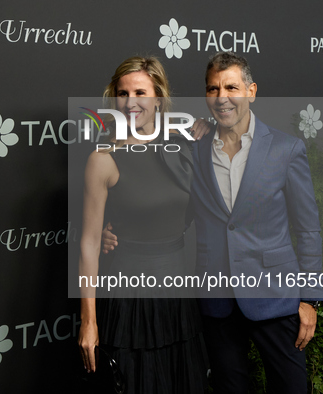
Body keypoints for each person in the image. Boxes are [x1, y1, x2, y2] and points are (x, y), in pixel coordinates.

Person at [103, 51, 323, 393]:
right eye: (213, 89)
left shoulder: (286, 149)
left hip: (275, 298)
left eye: (231, 87)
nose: (222, 97)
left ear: (251, 91)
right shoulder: (193, 148)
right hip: (216, 301)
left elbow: (308, 228)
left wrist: (310, 298)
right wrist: (117, 231)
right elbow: (172, 209)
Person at [78, 56, 209, 394]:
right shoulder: (103, 159)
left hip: (179, 295)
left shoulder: (187, 147)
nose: (131, 101)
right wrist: (88, 322)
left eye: (140, 91)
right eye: (123, 93)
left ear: (159, 98)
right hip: (129, 299)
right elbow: (90, 245)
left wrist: (210, 128)